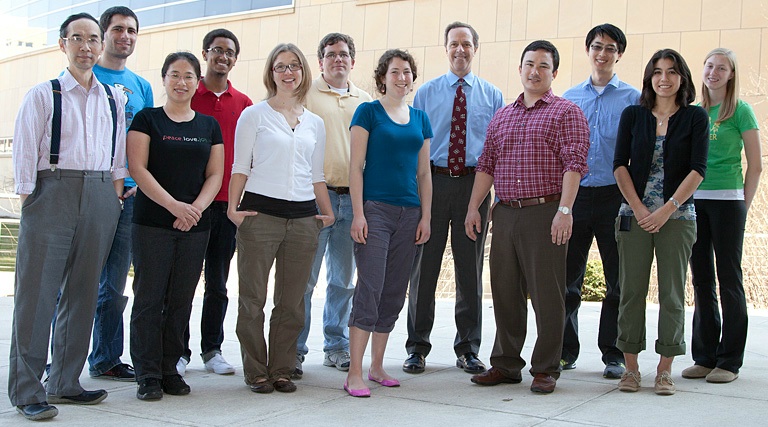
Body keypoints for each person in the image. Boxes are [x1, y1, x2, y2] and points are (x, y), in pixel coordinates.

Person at [9, 12, 126, 421]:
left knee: (83, 293)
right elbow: (24, 151)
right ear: (63, 44)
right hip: (51, 190)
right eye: (77, 38)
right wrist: (31, 196)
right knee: (37, 295)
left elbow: (118, 155)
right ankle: (27, 390)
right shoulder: (44, 94)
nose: (86, 47)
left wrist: (113, 193)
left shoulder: (115, 97)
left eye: (93, 39)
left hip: (99, 194)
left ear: (101, 44)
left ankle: (65, 381)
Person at [465, 40, 589, 394]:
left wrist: (564, 210)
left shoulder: (566, 112)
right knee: (504, 292)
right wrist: (474, 207)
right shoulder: (503, 115)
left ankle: (546, 367)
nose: (535, 71)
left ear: (554, 72)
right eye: (529, 64)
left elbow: (574, 164)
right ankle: (505, 363)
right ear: (520, 68)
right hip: (504, 214)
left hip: (545, 212)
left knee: (548, 294)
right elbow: (487, 163)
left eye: (543, 66)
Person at [230, 43, 334, 395]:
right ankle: (256, 370)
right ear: (270, 73)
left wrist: (328, 211)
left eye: (294, 66)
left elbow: (315, 172)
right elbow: (241, 167)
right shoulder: (254, 115)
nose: (288, 73)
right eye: (280, 67)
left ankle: (281, 369)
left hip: (304, 221)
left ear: (303, 72)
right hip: (260, 217)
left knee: (291, 302)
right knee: (252, 300)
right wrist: (233, 208)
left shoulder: (315, 122)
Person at [404, 21, 503, 375]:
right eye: (453, 44)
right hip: (432, 183)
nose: (460, 50)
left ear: (475, 48)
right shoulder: (426, 94)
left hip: (474, 189)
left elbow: (495, 152)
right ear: (445, 49)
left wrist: (485, 200)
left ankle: (468, 348)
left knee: (470, 271)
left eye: (466, 44)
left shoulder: (493, 96)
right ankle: (417, 347)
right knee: (423, 269)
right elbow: (414, 147)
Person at [128, 52, 224, 401]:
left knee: (181, 299)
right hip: (153, 222)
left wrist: (195, 210)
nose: (181, 82)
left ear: (197, 82)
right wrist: (174, 206)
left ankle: (171, 369)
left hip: (195, 227)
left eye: (188, 76)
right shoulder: (146, 119)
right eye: (174, 75)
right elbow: (138, 168)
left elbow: (215, 174)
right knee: (150, 298)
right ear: (164, 78)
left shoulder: (208, 126)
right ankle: (148, 374)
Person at [613, 49, 709, 396]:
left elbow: (699, 168)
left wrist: (667, 209)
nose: (663, 78)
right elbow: (619, 165)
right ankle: (632, 369)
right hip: (633, 216)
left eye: (671, 71)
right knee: (631, 292)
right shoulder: (633, 115)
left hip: (678, 217)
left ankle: (665, 369)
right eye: (657, 71)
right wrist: (638, 208)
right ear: (649, 78)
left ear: (682, 77)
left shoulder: (695, 117)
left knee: (671, 293)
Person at [345, 49, 432, 398]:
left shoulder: (421, 118)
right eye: (395, 71)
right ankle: (354, 373)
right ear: (383, 76)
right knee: (370, 289)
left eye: (408, 72)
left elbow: (424, 173)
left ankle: (377, 367)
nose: (402, 77)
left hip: (410, 214)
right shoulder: (368, 112)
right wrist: (359, 214)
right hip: (376, 210)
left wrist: (426, 216)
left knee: (395, 292)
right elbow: (356, 167)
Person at [560, 23, 639, 379]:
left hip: (615, 197)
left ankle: (614, 354)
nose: (602, 53)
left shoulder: (634, 98)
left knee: (617, 280)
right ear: (588, 51)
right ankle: (564, 351)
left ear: (619, 53)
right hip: (575, 196)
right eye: (596, 46)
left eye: (610, 47)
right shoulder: (569, 98)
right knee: (567, 279)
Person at [294, 33, 373, 379]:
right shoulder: (306, 94)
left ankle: (335, 346)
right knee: (304, 280)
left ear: (353, 61)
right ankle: (293, 350)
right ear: (321, 61)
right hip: (315, 198)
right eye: (331, 55)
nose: (338, 60)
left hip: (352, 199)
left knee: (343, 280)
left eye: (344, 54)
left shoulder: (366, 101)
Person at [176, 28, 253, 377]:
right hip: (191, 205)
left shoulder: (244, 104)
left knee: (218, 284)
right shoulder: (190, 94)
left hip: (228, 206)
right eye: (217, 50)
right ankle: (178, 350)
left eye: (230, 52)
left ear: (235, 59)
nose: (223, 57)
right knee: (183, 281)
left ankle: (212, 349)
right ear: (205, 53)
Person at [683, 48, 762, 384]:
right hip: (694, 202)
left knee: (729, 279)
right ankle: (705, 357)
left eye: (722, 68)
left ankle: (729, 360)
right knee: (700, 279)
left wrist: (743, 203)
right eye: (709, 66)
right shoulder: (693, 112)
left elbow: (756, 165)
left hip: (728, 202)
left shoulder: (741, 111)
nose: (713, 72)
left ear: (731, 74)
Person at [87, 5, 154, 382]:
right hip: (91, 191)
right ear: (103, 34)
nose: (125, 36)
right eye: (117, 29)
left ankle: (106, 358)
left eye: (131, 30)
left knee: (114, 286)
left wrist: (137, 183)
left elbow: (146, 143)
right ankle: (61, 360)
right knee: (74, 284)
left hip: (130, 197)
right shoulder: (85, 74)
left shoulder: (141, 86)